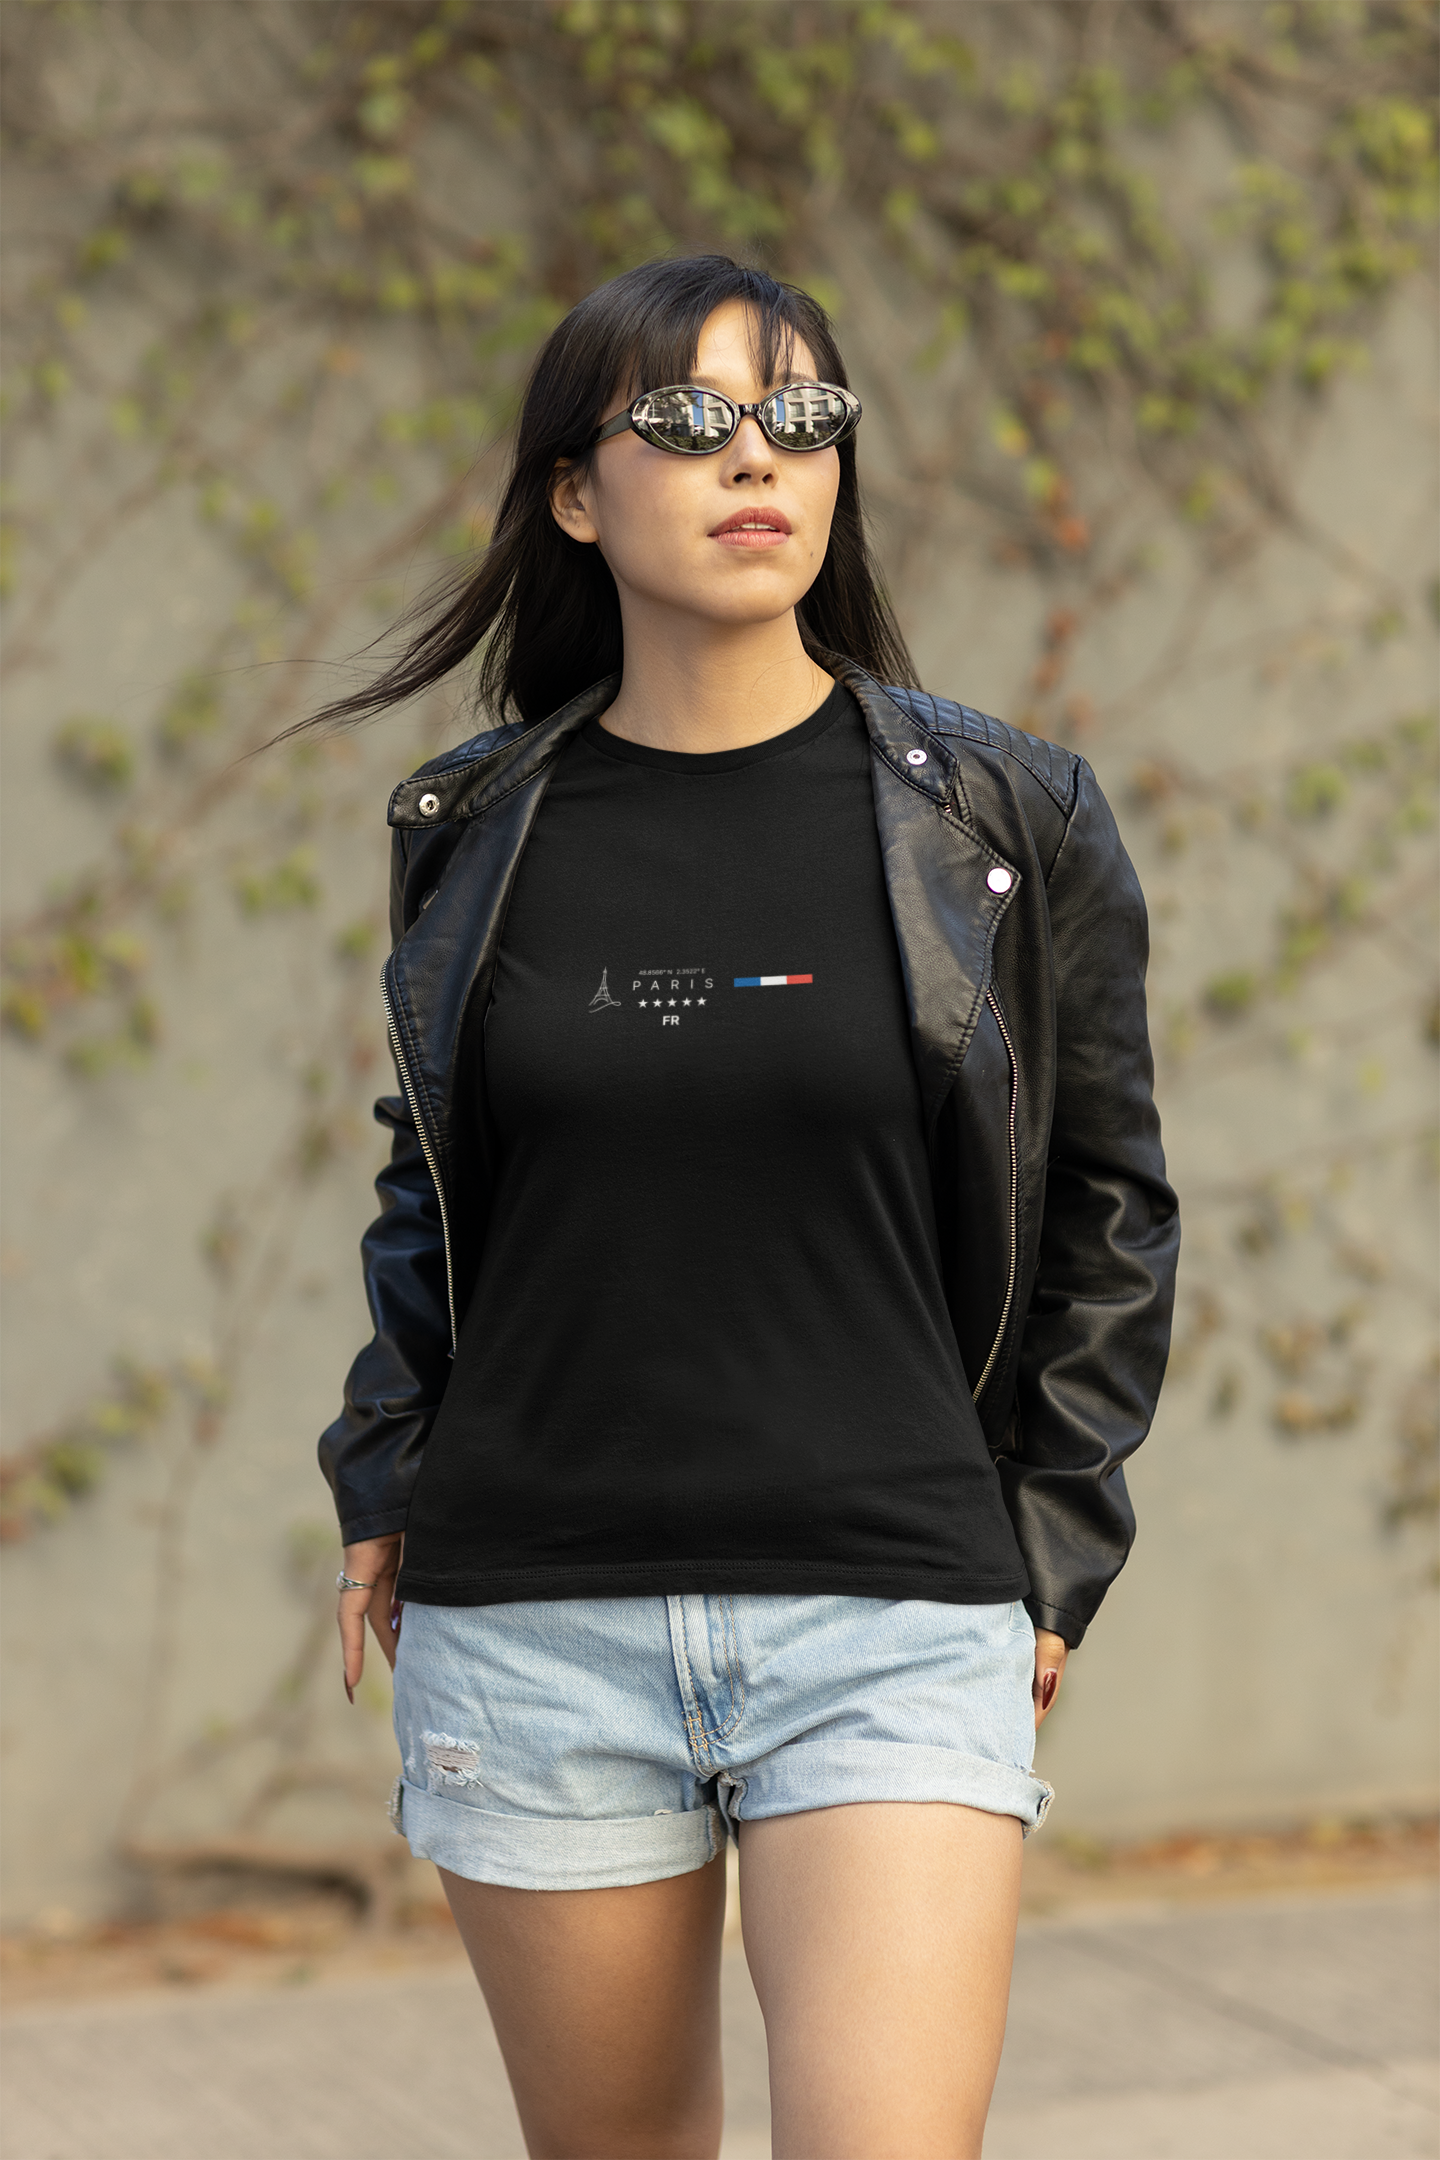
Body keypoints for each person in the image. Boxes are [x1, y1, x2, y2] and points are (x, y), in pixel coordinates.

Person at [313, 254, 1179, 2160]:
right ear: (573, 491)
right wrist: (386, 1458)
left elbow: (1110, 1194)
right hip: (537, 1614)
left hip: (889, 1605)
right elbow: (439, 1175)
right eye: (691, 423)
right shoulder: (473, 825)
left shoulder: (1002, 818)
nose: (757, 459)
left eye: (801, 418)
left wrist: (1054, 1530)